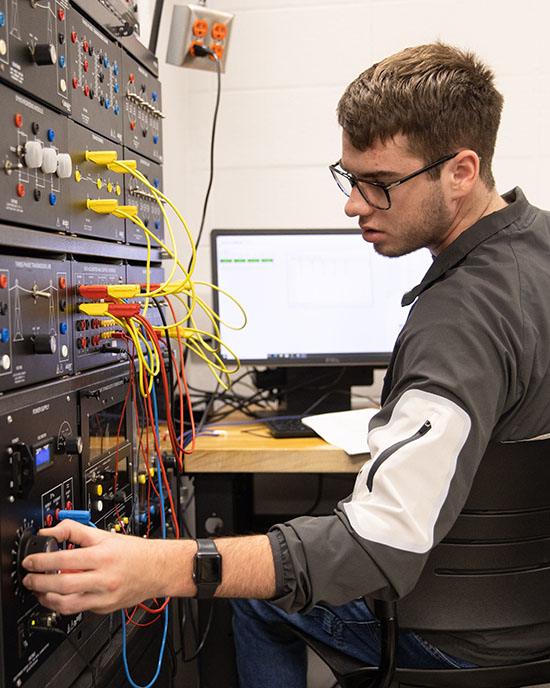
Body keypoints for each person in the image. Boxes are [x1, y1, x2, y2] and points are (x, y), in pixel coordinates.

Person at [21, 41, 550, 686]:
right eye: (348, 177)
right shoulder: (537, 254)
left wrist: (159, 565)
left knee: (250, 596)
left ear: (461, 171)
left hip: (462, 639)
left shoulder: (458, 322)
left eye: (379, 184)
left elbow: (379, 544)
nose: (354, 204)